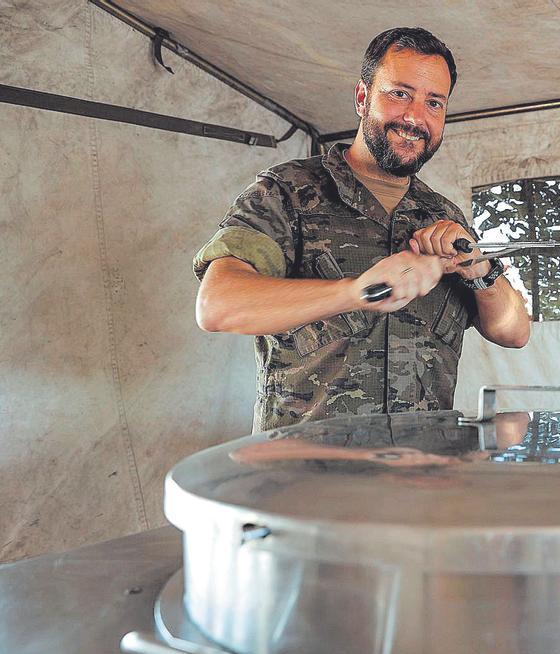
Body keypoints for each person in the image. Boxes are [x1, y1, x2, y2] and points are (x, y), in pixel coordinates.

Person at [193, 27, 530, 432]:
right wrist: (357, 292)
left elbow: (514, 332)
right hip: (306, 478)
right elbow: (217, 304)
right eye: (400, 93)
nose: (415, 117)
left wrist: (478, 269)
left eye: (434, 102)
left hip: (422, 474)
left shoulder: (443, 216)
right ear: (362, 97)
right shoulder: (287, 191)